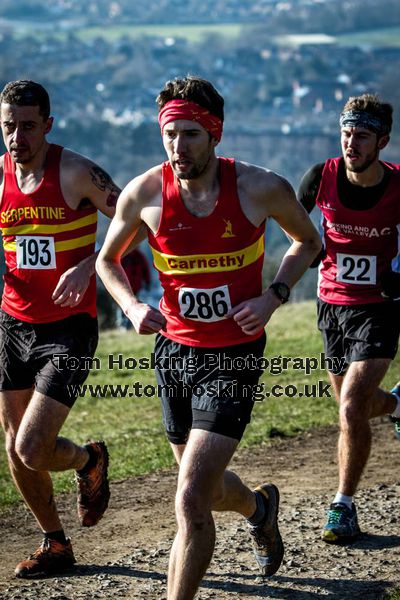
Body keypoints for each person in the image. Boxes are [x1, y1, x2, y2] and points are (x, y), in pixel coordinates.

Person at [96, 75, 321, 599]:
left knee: (191, 497)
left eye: (191, 134)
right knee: (207, 488)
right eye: (171, 133)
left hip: (234, 356)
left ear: (215, 134)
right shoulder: (145, 192)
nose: (179, 146)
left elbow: (307, 240)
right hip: (174, 352)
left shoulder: (259, 187)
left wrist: (274, 295)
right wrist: (131, 305)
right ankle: (259, 508)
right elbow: (107, 261)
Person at [0, 80, 120, 577]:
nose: (16, 137)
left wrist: (91, 263)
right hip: (13, 323)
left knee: (32, 448)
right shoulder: (0, 174)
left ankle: (89, 460)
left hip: (68, 328)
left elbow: (136, 218)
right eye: (8, 126)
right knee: (14, 445)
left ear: (48, 124)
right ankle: (56, 544)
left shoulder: (76, 172)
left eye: (27, 126)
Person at [297, 93, 400, 544]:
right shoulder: (322, 176)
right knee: (348, 409)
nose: (350, 143)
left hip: (379, 307)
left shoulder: (399, 186)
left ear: (383, 140)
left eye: (361, 135)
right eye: (346, 133)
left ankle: (343, 505)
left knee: (352, 407)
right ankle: (397, 404)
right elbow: (292, 224)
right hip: (331, 305)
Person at [117, 248, 151, 329]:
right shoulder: (121, 256)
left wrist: (147, 282)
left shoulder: (138, 256)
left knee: (133, 305)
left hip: (135, 286)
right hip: (123, 287)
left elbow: (145, 269)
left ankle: (128, 324)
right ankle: (122, 324)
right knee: (122, 305)